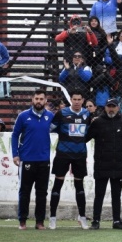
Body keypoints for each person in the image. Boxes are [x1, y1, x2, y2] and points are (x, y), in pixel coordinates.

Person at [48, 90, 91, 230]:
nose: (77, 102)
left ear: (83, 100)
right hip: (63, 154)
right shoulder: (62, 113)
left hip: (80, 155)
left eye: (79, 99)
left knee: (80, 186)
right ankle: (53, 217)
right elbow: (51, 128)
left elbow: (89, 132)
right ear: (70, 100)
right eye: (74, 99)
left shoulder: (87, 114)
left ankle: (82, 217)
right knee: (57, 185)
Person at [12, 89, 54, 230]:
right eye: (36, 98)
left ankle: (39, 222)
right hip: (27, 160)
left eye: (41, 99)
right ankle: (22, 221)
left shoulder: (50, 116)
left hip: (44, 160)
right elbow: (15, 135)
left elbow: (60, 129)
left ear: (45, 101)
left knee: (42, 192)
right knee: (25, 191)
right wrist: (15, 154)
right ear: (32, 100)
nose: (38, 101)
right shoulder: (23, 116)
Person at [85, 98, 122, 230]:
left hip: (118, 165)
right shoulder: (97, 122)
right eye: (109, 106)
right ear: (105, 107)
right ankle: (96, 220)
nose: (111, 109)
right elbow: (86, 137)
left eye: (113, 106)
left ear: (118, 107)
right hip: (101, 164)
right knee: (99, 194)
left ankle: (117, 221)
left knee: (117, 195)